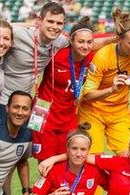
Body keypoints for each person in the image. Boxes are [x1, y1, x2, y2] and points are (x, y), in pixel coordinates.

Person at [79, 8, 130, 156]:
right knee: (92, 158)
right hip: (93, 111)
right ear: (119, 39)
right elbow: (87, 95)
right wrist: (111, 89)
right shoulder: (102, 57)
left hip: (119, 113)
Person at [31, 17, 95, 161]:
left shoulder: (92, 58)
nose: (85, 46)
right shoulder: (55, 55)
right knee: (43, 160)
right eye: (81, 41)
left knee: (66, 160)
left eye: (89, 42)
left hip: (68, 115)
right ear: (71, 41)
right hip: (42, 110)